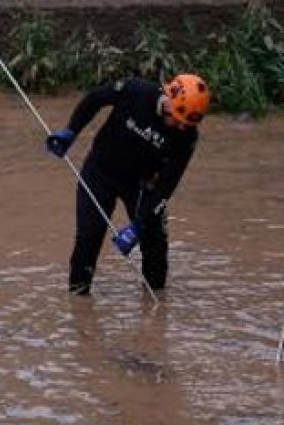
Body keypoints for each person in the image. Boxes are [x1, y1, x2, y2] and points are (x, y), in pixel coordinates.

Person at [45, 74, 208, 295]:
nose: (181, 128)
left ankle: (155, 306)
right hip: (99, 172)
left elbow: (166, 187)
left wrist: (138, 225)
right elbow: (95, 99)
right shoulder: (136, 91)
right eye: (178, 120)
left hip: (141, 186)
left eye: (187, 124)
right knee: (89, 236)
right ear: (169, 99)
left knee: (155, 243)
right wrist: (71, 131)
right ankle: (78, 301)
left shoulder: (187, 137)